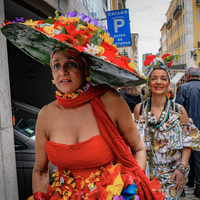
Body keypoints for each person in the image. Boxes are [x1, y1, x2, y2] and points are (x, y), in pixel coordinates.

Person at [1, 12, 164, 200]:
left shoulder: (110, 101)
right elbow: (40, 171)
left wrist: (129, 189)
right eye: (56, 65)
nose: (63, 71)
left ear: (85, 69)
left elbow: (138, 149)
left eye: (71, 64)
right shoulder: (46, 114)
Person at [134, 54, 200, 200]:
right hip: (145, 173)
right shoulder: (139, 109)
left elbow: (188, 142)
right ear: (148, 83)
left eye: (163, 78)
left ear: (168, 84)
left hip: (172, 175)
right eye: (154, 78)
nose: (159, 82)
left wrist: (182, 170)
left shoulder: (179, 110)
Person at [175, 65, 200, 198]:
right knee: (198, 160)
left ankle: (184, 187)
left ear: (188, 76)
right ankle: (198, 187)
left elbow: (179, 108)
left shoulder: (183, 88)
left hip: (187, 130)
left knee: (184, 158)